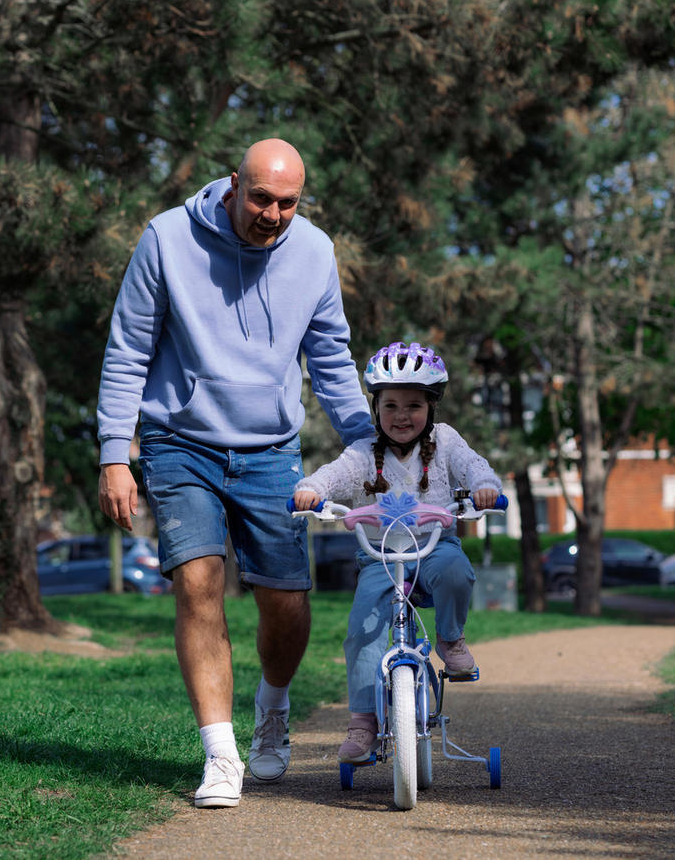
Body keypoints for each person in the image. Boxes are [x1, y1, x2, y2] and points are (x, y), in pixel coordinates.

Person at [97, 138, 374, 808]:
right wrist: (114, 450)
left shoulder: (313, 252)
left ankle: (272, 706)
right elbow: (129, 348)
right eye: (261, 198)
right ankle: (221, 753)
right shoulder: (166, 238)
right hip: (178, 441)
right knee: (198, 582)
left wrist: (369, 442)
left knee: (285, 600)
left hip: (269, 448)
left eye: (287, 202)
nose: (273, 214)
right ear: (232, 185)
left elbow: (331, 358)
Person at [290, 341, 502, 765]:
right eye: (390, 406)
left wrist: (485, 488)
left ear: (431, 408)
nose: (402, 416)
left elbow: (474, 465)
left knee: (458, 571)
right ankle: (363, 722)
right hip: (381, 559)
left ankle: (450, 638)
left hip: (433, 547)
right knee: (363, 631)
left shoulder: (445, 442)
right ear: (376, 409)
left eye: (413, 405)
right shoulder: (364, 452)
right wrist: (311, 490)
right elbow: (333, 475)